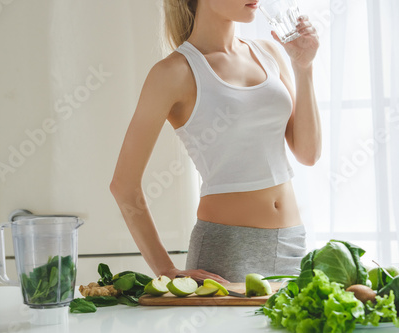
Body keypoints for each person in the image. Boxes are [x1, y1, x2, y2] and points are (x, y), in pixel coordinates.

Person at [110, 0, 321, 283]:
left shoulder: (268, 52)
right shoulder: (173, 73)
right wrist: (166, 270)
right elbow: (123, 185)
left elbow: (308, 153)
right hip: (226, 251)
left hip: (291, 243)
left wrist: (303, 67)